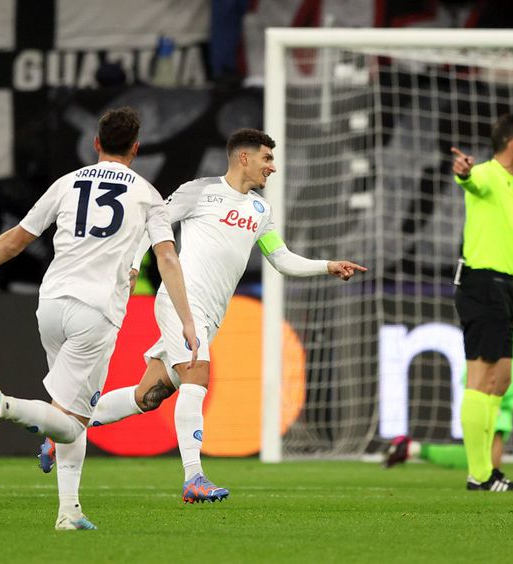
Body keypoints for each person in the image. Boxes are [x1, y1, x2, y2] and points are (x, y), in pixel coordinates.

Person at [40, 128, 366, 504]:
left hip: (211, 313)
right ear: (243, 157)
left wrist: (328, 266)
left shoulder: (260, 209)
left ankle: (64, 428)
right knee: (197, 375)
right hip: (183, 302)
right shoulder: (199, 190)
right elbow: (151, 226)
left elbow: (281, 259)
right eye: (267, 158)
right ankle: (194, 477)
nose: (272, 167)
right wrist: (131, 266)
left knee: (149, 396)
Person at [0, 107, 198, 531]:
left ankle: (69, 512)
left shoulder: (67, 182)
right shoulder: (148, 193)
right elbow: (166, 256)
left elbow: (17, 239)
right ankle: (7, 405)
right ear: (136, 148)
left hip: (51, 305)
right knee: (75, 425)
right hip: (95, 313)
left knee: (72, 413)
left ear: (96, 144)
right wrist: (187, 320)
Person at [386, 251, 513, 472]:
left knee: (488, 461)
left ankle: (412, 449)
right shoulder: (493, 283)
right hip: (491, 366)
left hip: (502, 367)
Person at [451, 112, 513, 492]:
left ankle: (487, 471)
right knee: (482, 378)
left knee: (499, 380)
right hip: (482, 282)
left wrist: (511, 295)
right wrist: (464, 171)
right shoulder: (488, 174)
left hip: (501, 287)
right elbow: (470, 180)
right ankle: (480, 474)